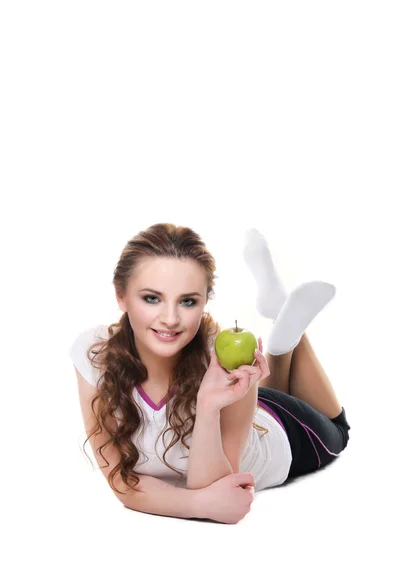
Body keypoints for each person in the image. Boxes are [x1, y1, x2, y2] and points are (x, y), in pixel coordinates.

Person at [69, 223, 351, 524]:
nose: (170, 319)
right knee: (269, 390)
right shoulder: (95, 355)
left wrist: (208, 406)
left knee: (338, 429)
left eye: (188, 301)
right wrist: (196, 505)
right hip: (246, 405)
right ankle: (280, 318)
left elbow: (212, 489)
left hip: (283, 432)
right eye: (152, 298)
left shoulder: (219, 356)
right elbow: (122, 482)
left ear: (204, 302)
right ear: (121, 296)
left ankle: (285, 333)